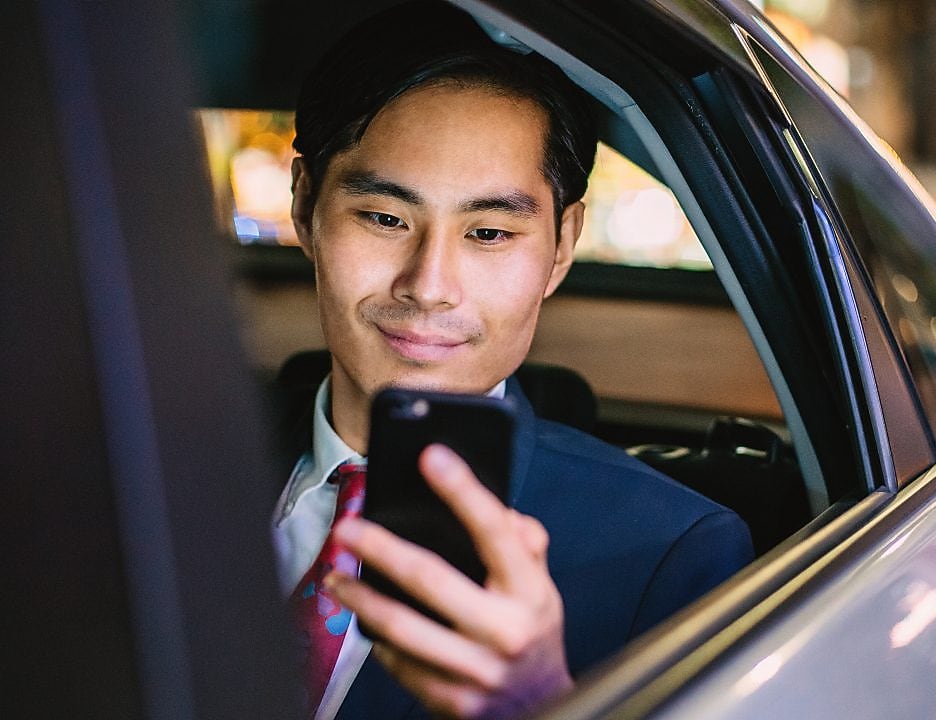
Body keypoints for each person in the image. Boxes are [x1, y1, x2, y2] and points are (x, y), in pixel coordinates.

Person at [272, 3, 755, 719]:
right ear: (307, 203)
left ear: (561, 246)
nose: (429, 286)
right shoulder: (146, 466)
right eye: (383, 218)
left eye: (490, 232)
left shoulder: (670, 555)